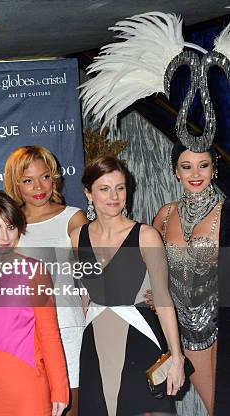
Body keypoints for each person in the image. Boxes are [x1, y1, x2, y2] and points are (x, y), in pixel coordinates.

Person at [70, 156, 185, 415]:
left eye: (120, 187)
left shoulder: (146, 236)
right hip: (94, 342)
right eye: (104, 188)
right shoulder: (77, 237)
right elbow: (84, 295)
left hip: (140, 338)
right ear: (88, 193)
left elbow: (163, 299)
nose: (114, 196)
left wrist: (176, 357)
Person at [0, 190, 68, 416]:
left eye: (10, 227)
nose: (5, 237)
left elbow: (49, 335)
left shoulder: (35, 271)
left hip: (27, 385)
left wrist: (59, 390)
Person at [4, 146, 87, 415]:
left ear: (54, 177)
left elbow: (94, 272)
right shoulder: (9, 226)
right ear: (16, 185)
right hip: (25, 333)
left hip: (68, 327)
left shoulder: (72, 217)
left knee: (71, 407)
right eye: (28, 180)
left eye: (45, 177)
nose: (38, 187)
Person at [152, 143, 227, 415]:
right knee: (214, 407)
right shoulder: (165, 215)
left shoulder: (225, 214)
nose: (195, 173)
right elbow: (151, 269)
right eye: (186, 166)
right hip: (187, 332)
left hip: (221, 325)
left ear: (214, 168)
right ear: (176, 171)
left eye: (203, 165)